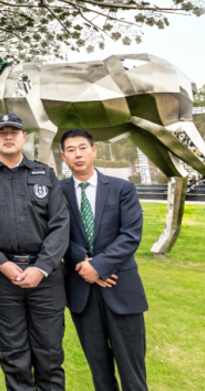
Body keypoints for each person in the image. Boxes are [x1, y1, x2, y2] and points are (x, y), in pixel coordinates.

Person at [0, 113, 69, 391]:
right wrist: (1, 263)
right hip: (2, 279)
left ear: (24, 137)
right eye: (2, 132)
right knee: (14, 357)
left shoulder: (44, 174)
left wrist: (41, 267)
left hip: (45, 278)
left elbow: (60, 224)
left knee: (49, 355)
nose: (8, 137)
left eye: (14, 132)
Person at [60, 129, 149, 391]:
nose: (78, 154)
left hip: (121, 287)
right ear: (64, 156)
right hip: (81, 291)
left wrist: (98, 266)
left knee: (132, 372)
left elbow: (131, 235)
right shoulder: (57, 192)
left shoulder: (122, 189)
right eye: (71, 150)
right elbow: (53, 234)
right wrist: (83, 263)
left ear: (93, 150)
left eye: (82, 147)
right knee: (99, 371)